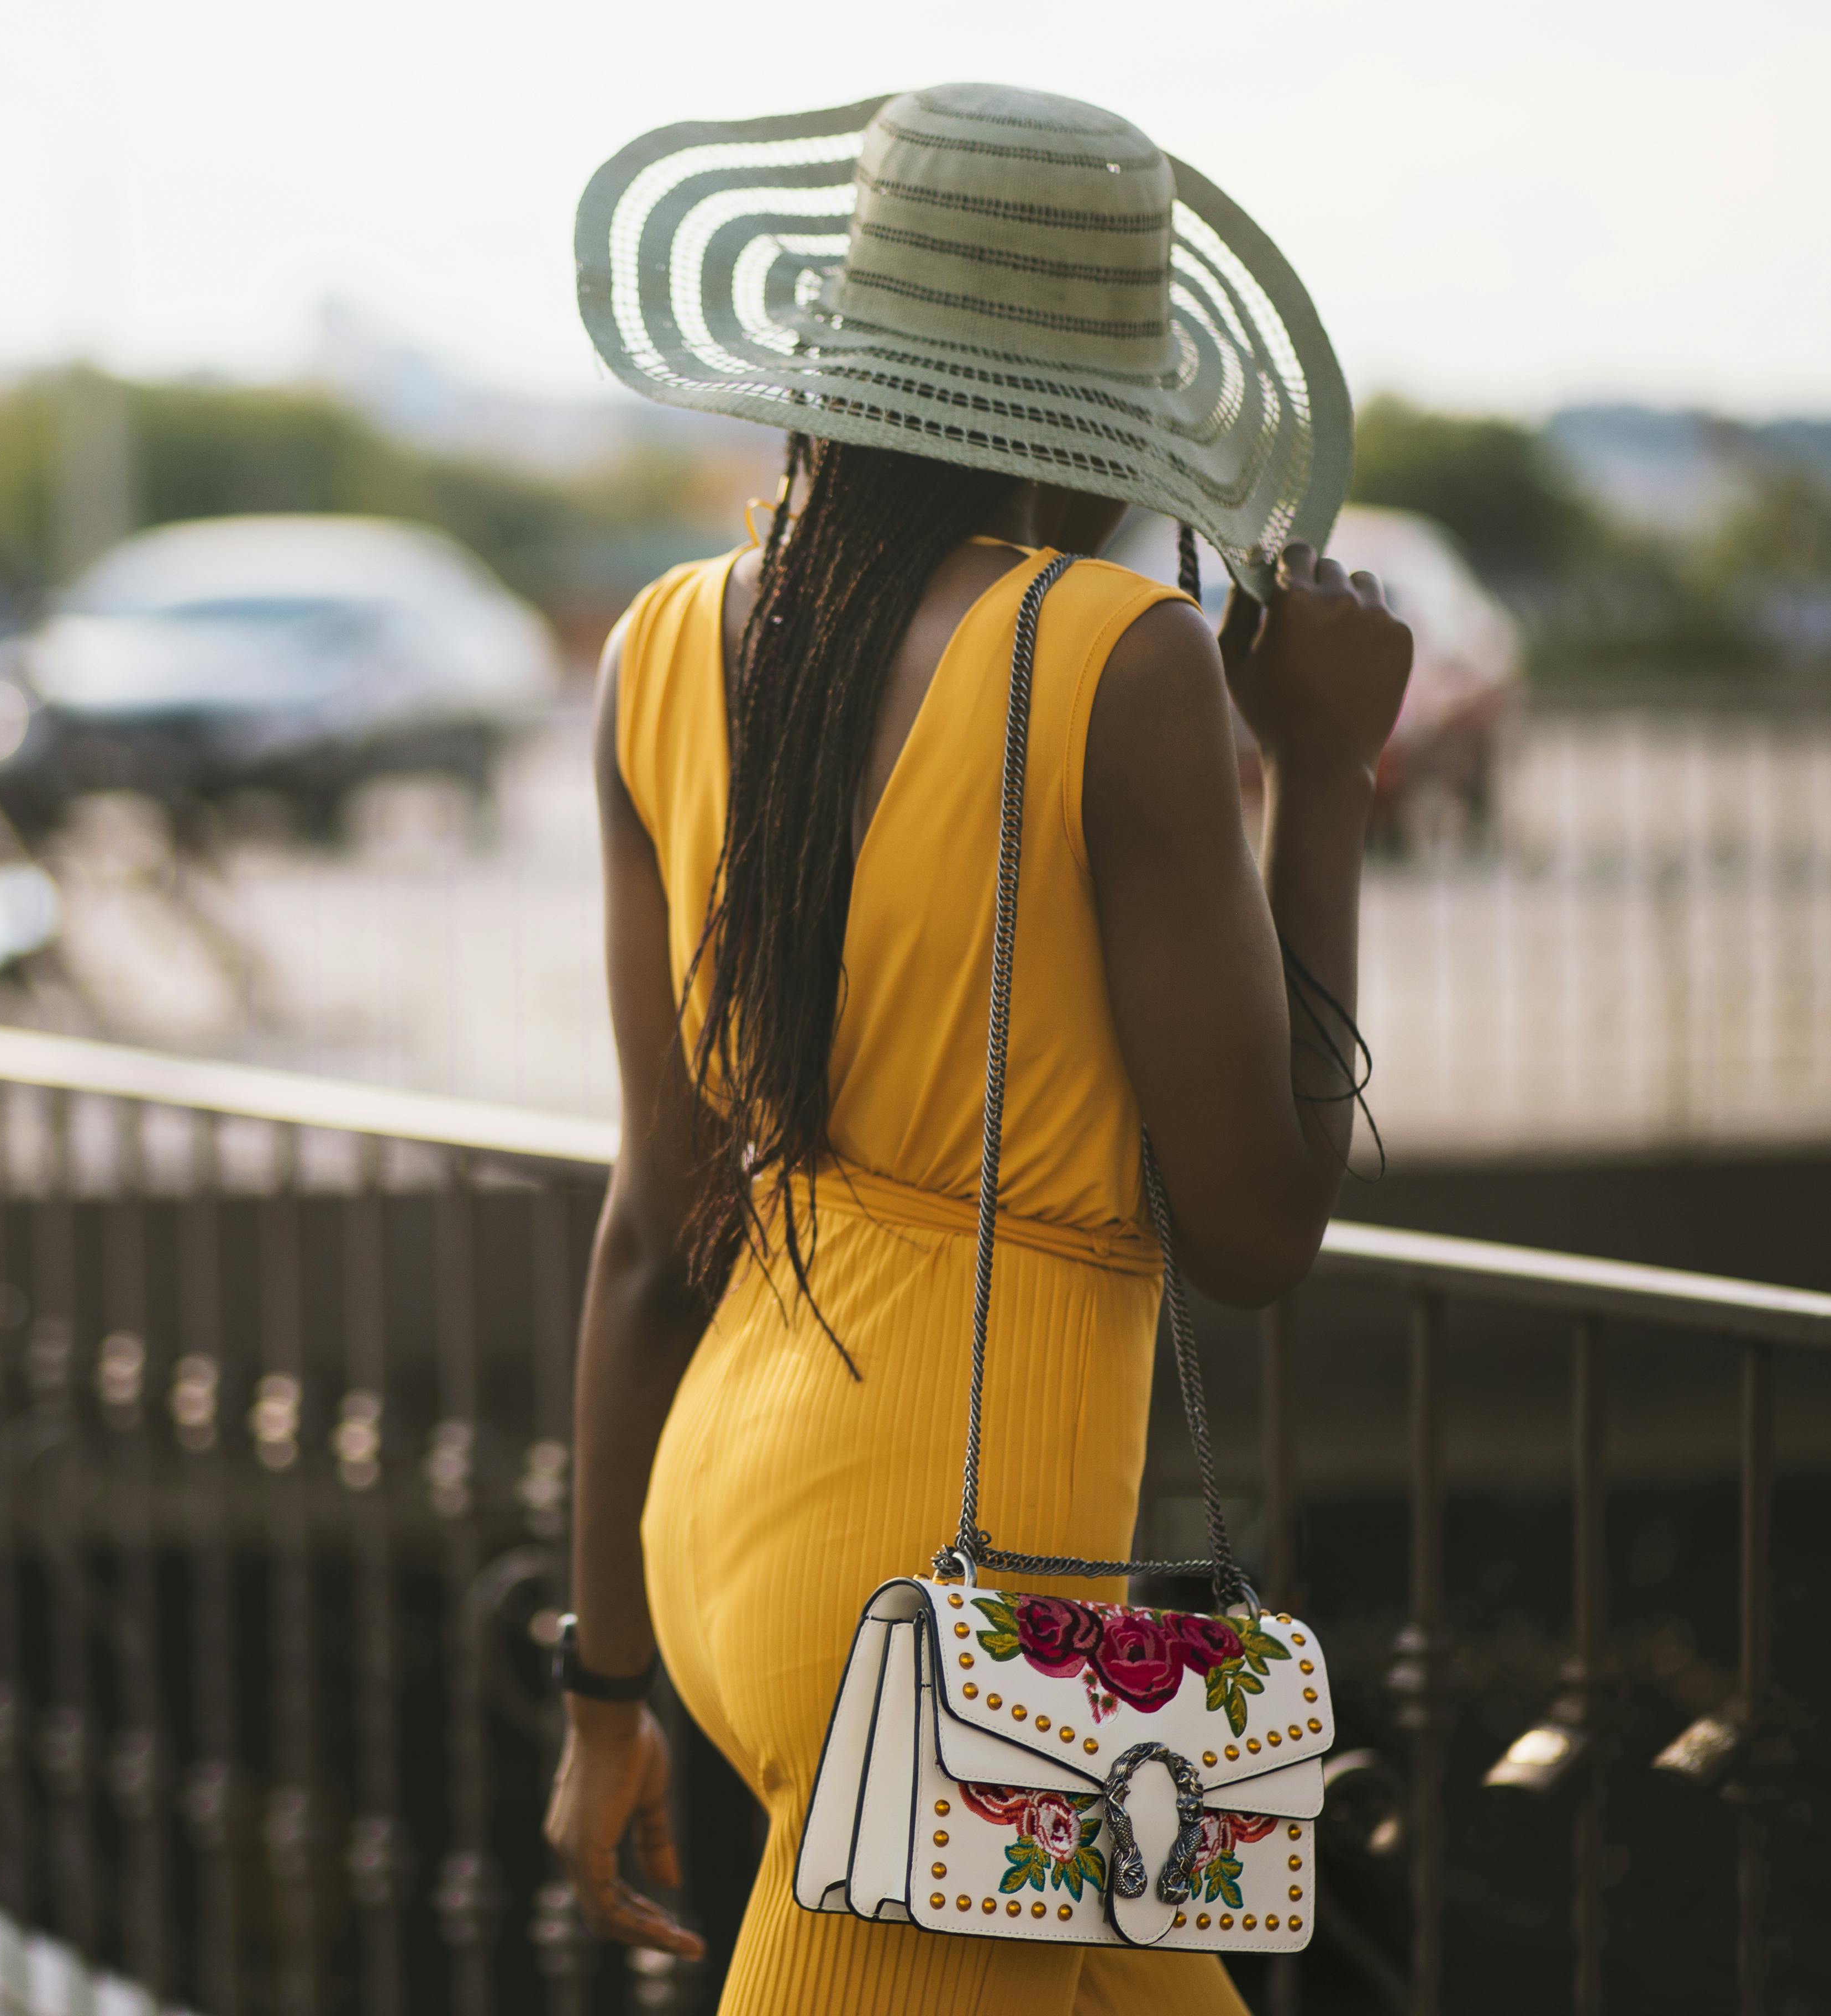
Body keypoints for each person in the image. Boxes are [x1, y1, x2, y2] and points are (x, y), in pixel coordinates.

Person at [543, 83, 1412, 2012]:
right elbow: (1259, 1233)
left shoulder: (669, 644)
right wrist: (1328, 784)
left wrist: (606, 1697)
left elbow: (641, 1232)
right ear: (1109, 417)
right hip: (948, 1606)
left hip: (733, 1535)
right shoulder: (1114, 655)